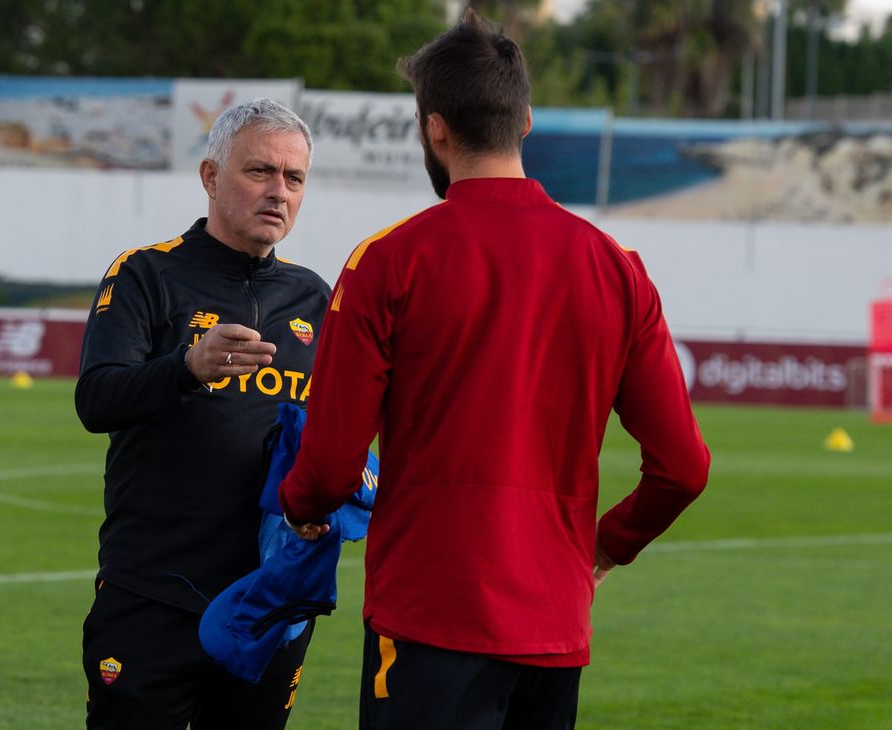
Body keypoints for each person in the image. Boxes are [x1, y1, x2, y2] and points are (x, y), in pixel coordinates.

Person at [278, 11, 711, 730]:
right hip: (553, 623)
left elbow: (329, 469)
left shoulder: (386, 261)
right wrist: (605, 546)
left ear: (435, 129)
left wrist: (293, 510)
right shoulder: (616, 268)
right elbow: (683, 468)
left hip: (427, 617)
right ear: (527, 121)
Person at [75, 98, 331, 729]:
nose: (278, 192)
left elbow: (335, 431)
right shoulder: (145, 274)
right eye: (260, 172)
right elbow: (96, 399)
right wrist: (187, 366)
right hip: (153, 591)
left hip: (269, 598)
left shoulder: (315, 297)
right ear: (211, 177)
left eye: (293, 179)